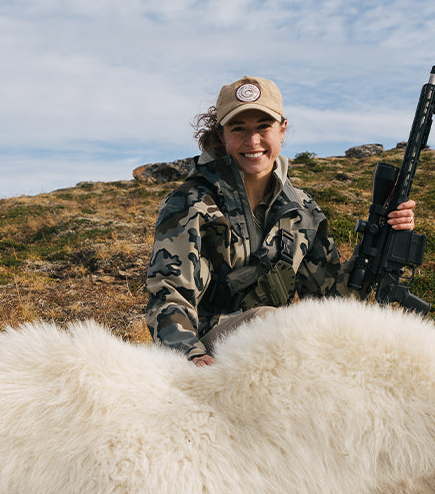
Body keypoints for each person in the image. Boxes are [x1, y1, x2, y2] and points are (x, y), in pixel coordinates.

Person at [145, 76, 416, 366]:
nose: (253, 142)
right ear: (222, 135)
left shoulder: (303, 210)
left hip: (279, 350)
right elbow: (169, 296)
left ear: (282, 129)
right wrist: (192, 355)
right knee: (270, 322)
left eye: (263, 127)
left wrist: (378, 244)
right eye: (239, 129)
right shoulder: (190, 204)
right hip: (211, 351)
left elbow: (329, 304)